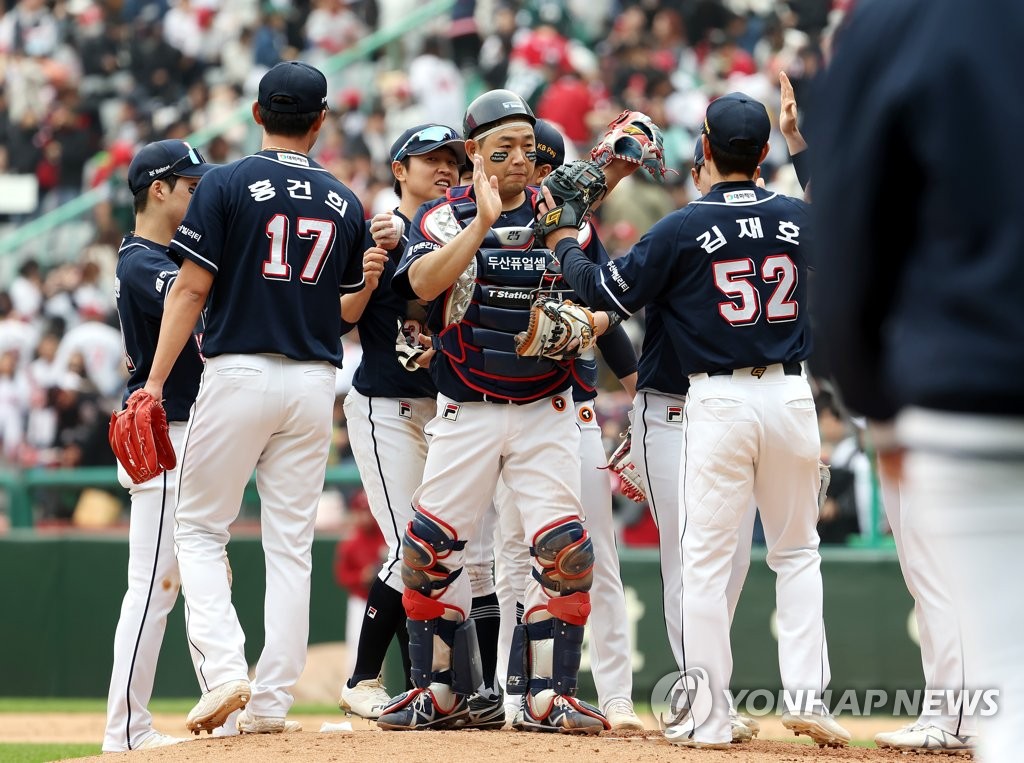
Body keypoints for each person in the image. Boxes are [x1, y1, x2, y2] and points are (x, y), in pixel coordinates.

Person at [543, 92, 850, 748]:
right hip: (792, 397)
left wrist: (566, 236)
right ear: (763, 155)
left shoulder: (680, 229)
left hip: (718, 400)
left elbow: (599, 293)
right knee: (797, 553)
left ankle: (707, 715)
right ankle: (810, 697)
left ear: (703, 150)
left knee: (705, 565)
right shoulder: (797, 216)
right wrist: (803, 145)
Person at [375, 90, 635, 734]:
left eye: (527, 146)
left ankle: (549, 696)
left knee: (565, 555)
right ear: (474, 154)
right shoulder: (441, 216)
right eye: (503, 148)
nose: (520, 159)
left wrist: (582, 323)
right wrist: (480, 226)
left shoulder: (566, 217)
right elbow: (420, 287)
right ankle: (439, 692)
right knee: (428, 553)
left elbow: (602, 297)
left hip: (548, 408)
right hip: (468, 405)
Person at [808, 1, 1024, 759]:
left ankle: (959, 714)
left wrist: (877, 405)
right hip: (970, 384)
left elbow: (848, 237)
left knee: (1010, 675)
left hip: (973, 385)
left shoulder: (896, 21)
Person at [140, 60, 366, 736]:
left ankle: (225, 667)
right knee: (290, 545)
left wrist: (153, 381)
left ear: (257, 114)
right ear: (321, 120)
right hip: (312, 380)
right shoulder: (346, 200)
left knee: (199, 527)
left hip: (239, 368)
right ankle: (271, 702)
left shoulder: (228, 182)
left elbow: (188, 290)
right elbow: (346, 310)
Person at [338, 123, 507, 725]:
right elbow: (345, 314)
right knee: (414, 545)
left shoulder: (465, 228)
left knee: (464, 553)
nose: (444, 169)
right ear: (398, 169)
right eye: (428, 159)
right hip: (388, 406)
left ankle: (464, 688)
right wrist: (369, 257)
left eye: (453, 161)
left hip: (451, 411)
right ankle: (362, 679)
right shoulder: (374, 229)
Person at [490, 118, 644, 730]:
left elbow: (608, 307)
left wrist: (640, 393)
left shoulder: (574, 234)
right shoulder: (482, 223)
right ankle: (511, 693)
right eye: (535, 161)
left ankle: (616, 697)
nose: (542, 173)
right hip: (498, 409)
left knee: (594, 556)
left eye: (548, 162)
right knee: (508, 559)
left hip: (570, 410)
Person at [102, 139, 214, 753]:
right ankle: (125, 731)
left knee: (188, 579)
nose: (197, 195)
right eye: (189, 186)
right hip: (165, 432)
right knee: (153, 585)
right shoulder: (143, 261)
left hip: (188, 430)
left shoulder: (166, 254)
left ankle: (216, 699)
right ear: (158, 189)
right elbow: (196, 297)